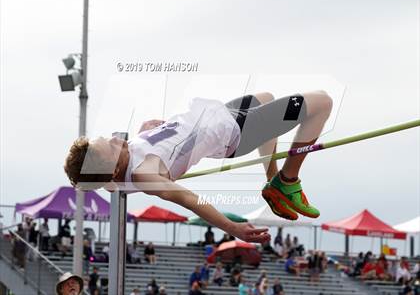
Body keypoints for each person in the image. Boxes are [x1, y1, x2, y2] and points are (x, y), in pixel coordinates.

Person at [64, 92, 333, 242]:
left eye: (106, 138)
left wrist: (145, 133)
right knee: (321, 103)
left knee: (264, 97)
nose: (114, 139)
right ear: (111, 170)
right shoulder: (145, 174)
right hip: (234, 132)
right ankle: (287, 181)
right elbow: (190, 200)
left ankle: (272, 181)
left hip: (214, 115)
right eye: (110, 147)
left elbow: (100, 180)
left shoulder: (113, 172)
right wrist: (233, 228)